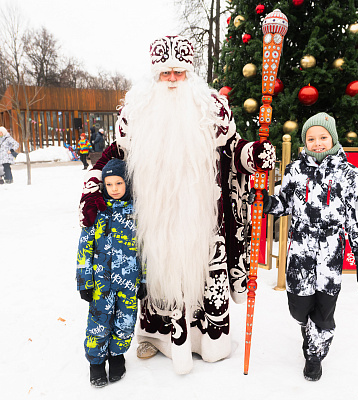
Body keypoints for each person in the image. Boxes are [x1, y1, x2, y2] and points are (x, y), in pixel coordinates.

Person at [79, 35, 276, 374]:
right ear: (155, 74)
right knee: (155, 274)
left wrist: (252, 154)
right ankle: (155, 339)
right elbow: (116, 154)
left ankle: (206, 342)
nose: (171, 80)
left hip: (201, 216)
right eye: (165, 73)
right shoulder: (136, 111)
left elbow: (231, 149)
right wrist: (94, 185)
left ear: (189, 73)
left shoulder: (211, 108)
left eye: (179, 73)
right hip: (153, 218)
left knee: (201, 275)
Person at [256, 112, 358, 381]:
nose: (317, 143)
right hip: (300, 251)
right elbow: (283, 203)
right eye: (311, 138)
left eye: (322, 137)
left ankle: (315, 354)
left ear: (332, 138)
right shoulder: (294, 170)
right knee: (298, 308)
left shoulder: (352, 175)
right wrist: (265, 201)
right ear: (305, 141)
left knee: (324, 310)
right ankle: (308, 331)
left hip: (332, 252)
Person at [76, 158, 142, 387]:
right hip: (101, 283)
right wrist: (84, 281)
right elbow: (84, 249)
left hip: (129, 282)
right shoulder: (96, 213)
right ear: (104, 185)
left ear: (128, 184)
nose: (114, 189)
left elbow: (146, 250)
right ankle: (95, 363)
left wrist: (143, 280)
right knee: (98, 323)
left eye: (119, 184)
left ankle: (117, 356)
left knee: (125, 322)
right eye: (110, 184)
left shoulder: (137, 214)